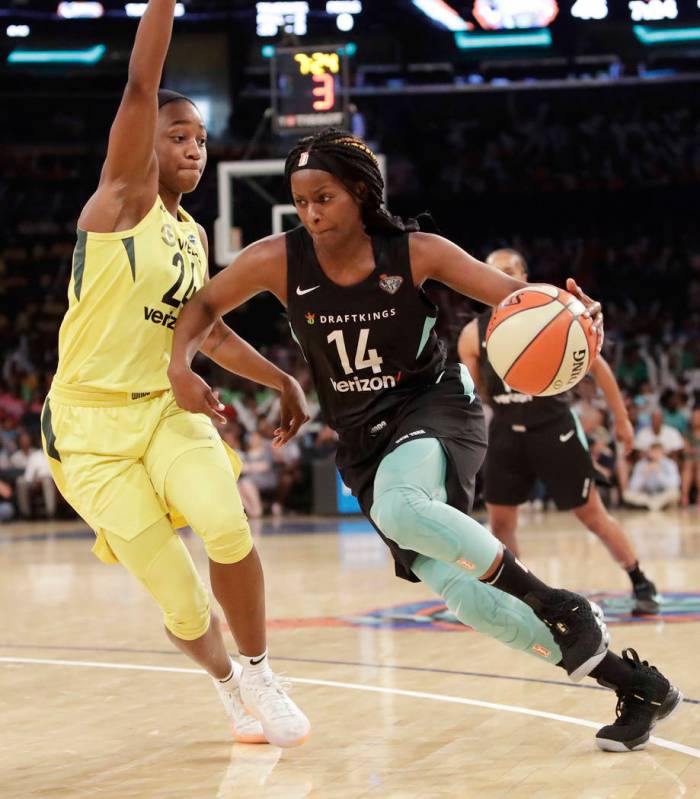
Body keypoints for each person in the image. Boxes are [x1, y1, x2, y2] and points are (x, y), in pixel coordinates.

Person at [169, 128, 681, 752]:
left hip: (435, 406)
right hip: (363, 441)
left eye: (323, 198)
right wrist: (184, 364)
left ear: (361, 192)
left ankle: (559, 603)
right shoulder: (276, 258)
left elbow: (516, 300)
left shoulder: (416, 251)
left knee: (400, 505)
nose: (310, 213)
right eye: (300, 201)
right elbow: (198, 310)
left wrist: (577, 312)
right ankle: (636, 686)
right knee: (472, 602)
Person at [40, 0, 309, 748]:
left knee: (226, 521)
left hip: (164, 407)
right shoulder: (120, 202)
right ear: (142, 146)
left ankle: (257, 668)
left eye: (199, 137)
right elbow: (138, 85)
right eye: (177, 135)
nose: (194, 147)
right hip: (90, 430)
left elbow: (208, 331)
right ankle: (227, 686)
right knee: (185, 606)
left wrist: (281, 381)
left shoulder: (190, 232)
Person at [458, 248, 659, 616]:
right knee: (501, 520)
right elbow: (477, 394)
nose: (500, 278)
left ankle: (640, 579)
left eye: (508, 271)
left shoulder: (549, 313)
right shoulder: (473, 334)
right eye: (492, 272)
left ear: (523, 274)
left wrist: (621, 418)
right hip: (505, 430)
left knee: (591, 514)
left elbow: (597, 367)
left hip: (554, 427)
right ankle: (518, 594)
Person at [624, 443, 681, 511]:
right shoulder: (640, 464)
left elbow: (674, 485)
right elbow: (633, 487)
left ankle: (652, 505)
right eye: (653, 451)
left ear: (663, 452)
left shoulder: (670, 464)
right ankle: (652, 504)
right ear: (649, 453)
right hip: (646, 496)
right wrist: (644, 475)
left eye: (658, 452)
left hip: (662, 494)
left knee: (675, 493)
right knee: (627, 494)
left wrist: (659, 474)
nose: (655, 454)